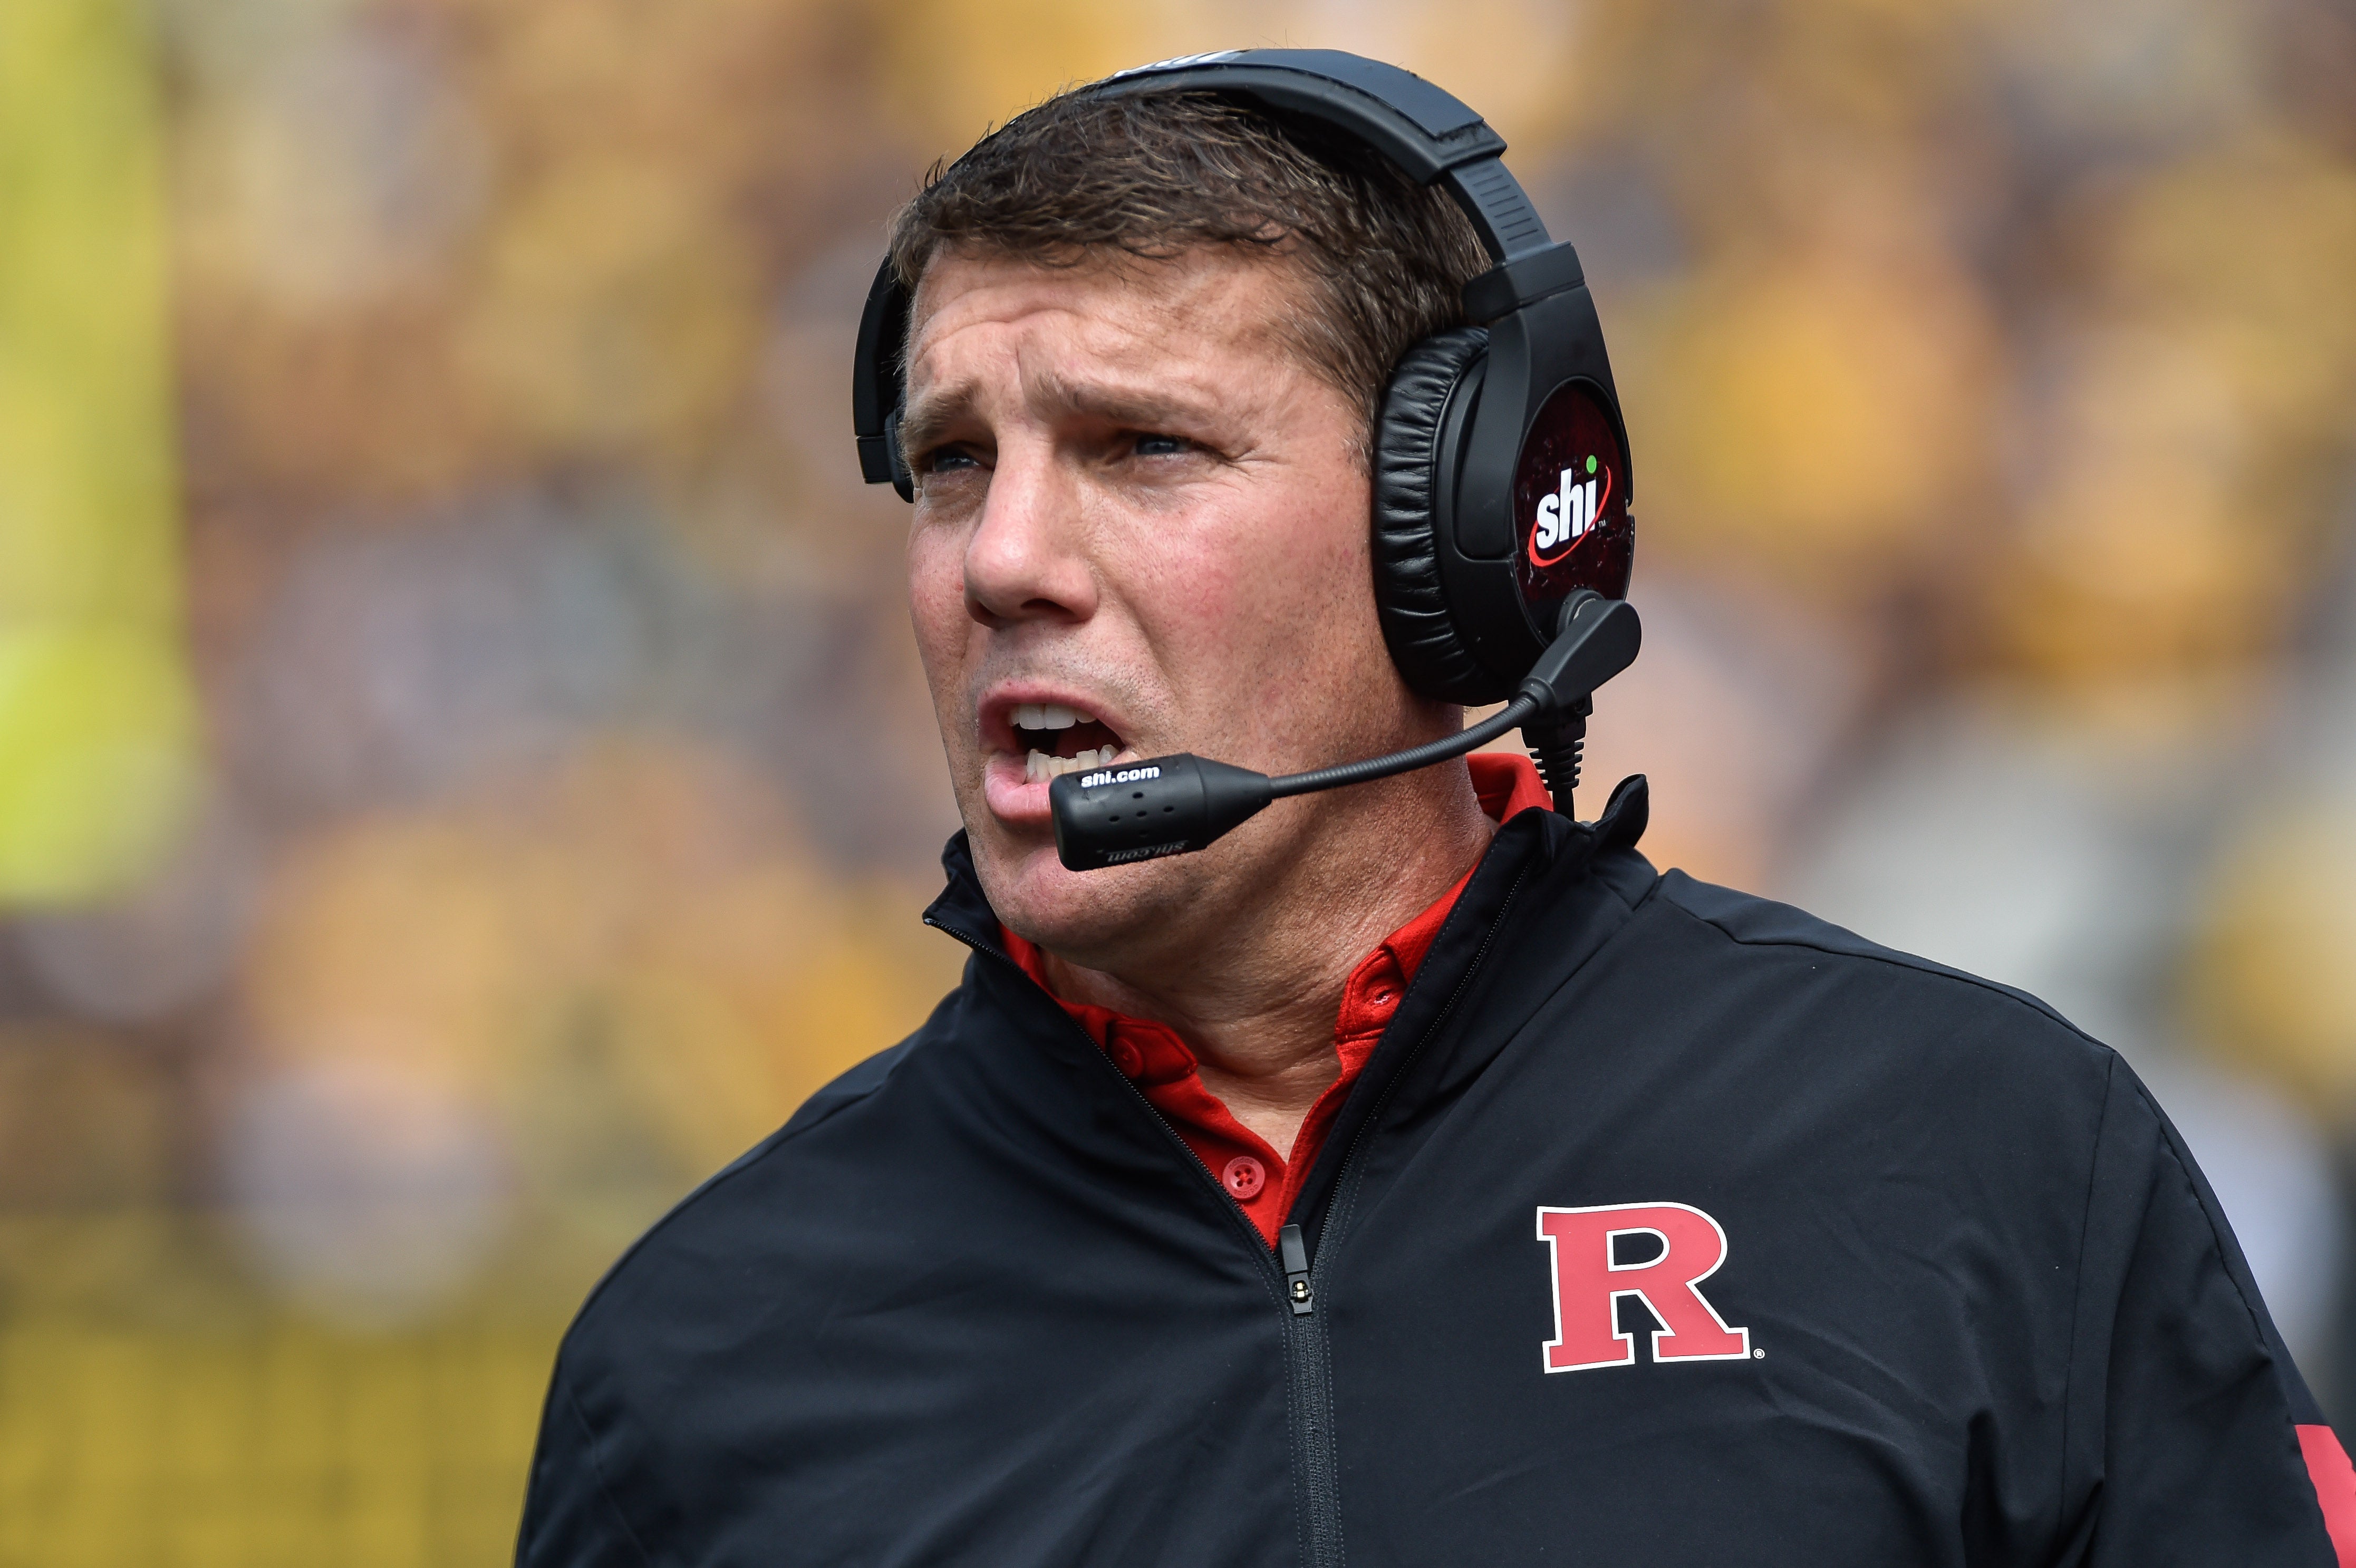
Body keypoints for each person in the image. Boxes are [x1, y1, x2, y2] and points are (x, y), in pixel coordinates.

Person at [516, 52, 2356, 1565]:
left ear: (1456, 536)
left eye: (1138, 448)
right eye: (946, 467)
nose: (999, 560)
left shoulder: (1978, 1155)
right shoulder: (708, 1359)